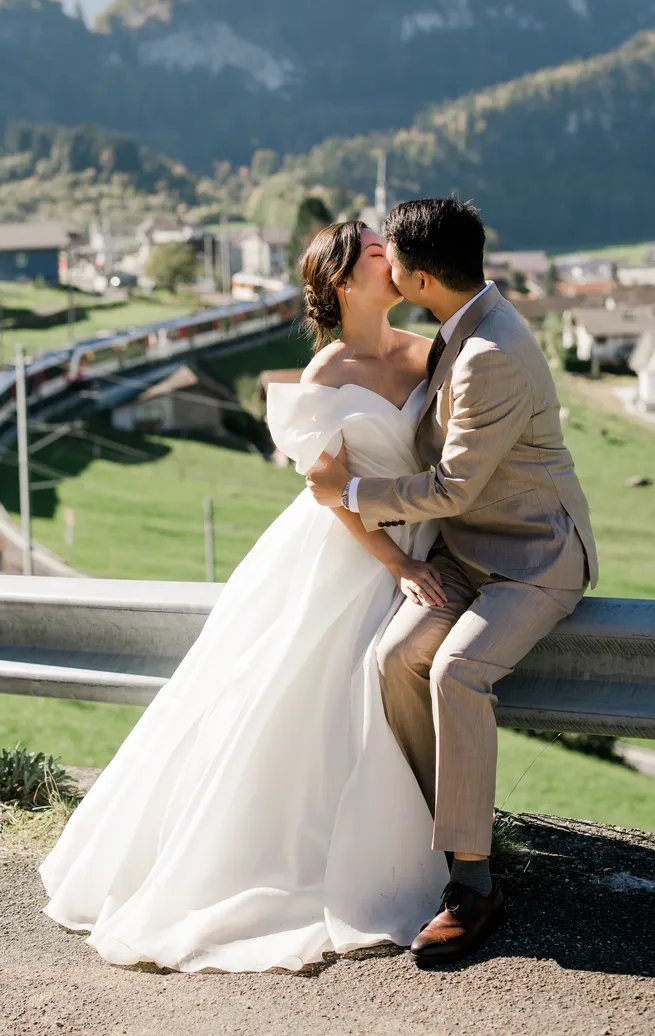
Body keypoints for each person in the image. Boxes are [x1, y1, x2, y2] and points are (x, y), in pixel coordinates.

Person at [40, 221, 452, 972]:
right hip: (353, 552)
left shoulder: (430, 351)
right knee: (317, 692)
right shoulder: (326, 378)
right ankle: (321, 861)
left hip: (425, 543)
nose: (389, 260)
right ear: (339, 282)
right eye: (371, 254)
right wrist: (395, 562)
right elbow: (331, 495)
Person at [306, 197, 597, 967]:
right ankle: (435, 826)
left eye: (391, 257)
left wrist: (353, 496)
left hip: (536, 557)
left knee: (457, 670)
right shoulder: (461, 325)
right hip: (468, 555)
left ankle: (473, 881)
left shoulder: (488, 352)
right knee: (395, 657)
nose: (385, 266)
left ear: (422, 276)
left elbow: (455, 488)